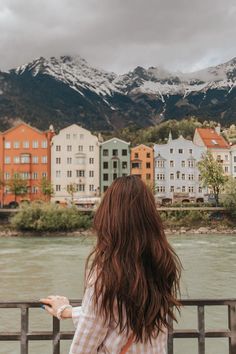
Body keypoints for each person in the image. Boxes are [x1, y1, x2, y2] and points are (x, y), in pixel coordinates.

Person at [40, 176, 181, 353]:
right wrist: (67, 311)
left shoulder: (107, 271)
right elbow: (118, 314)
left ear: (109, 216)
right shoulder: (162, 263)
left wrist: (67, 311)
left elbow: (88, 336)